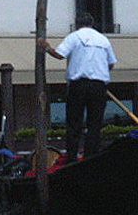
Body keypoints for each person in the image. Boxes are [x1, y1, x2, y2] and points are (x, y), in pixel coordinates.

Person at [39, 12, 117, 161]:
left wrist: (47, 47)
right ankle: (91, 157)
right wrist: (99, 69)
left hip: (78, 85)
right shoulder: (103, 39)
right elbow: (111, 64)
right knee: (95, 124)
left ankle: (72, 157)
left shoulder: (74, 37)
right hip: (98, 85)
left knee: (74, 123)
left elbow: (59, 54)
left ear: (77, 24)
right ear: (92, 24)